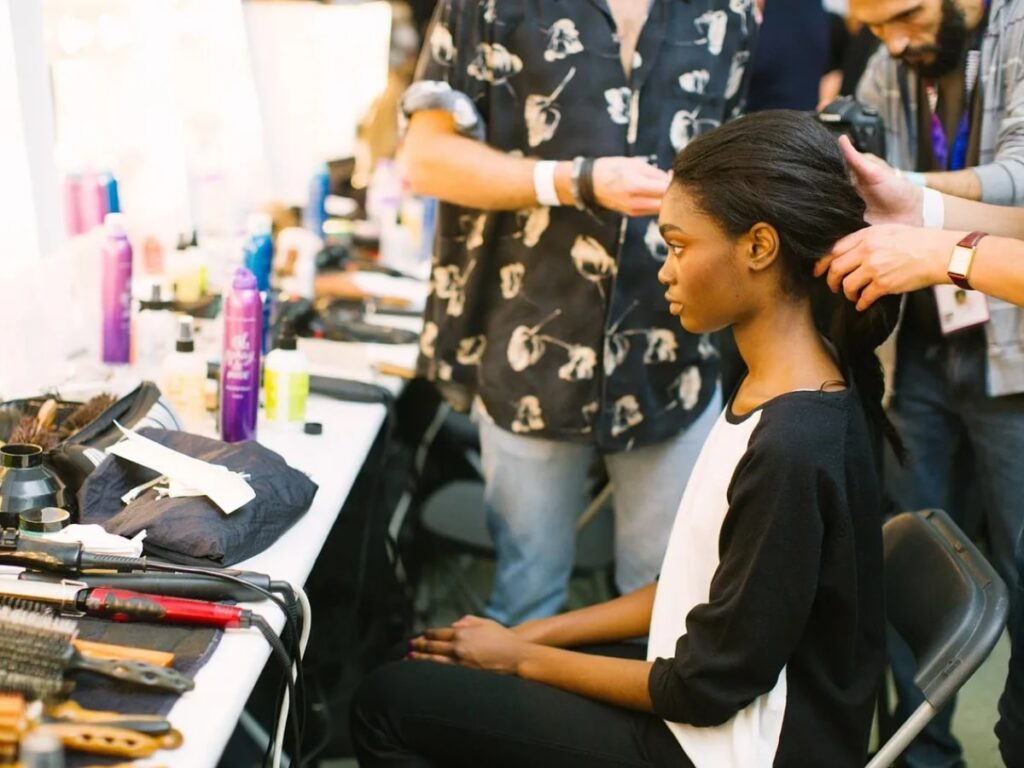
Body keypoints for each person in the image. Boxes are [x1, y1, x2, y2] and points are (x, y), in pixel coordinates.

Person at [350, 110, 895, 768]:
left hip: (720, 750)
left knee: (386, 703)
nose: (664, 270)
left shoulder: (792, 444)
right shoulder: (776, 389)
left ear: (758, 247)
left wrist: (522, 660)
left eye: (678, 245)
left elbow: (702, 689)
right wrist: (529, 635)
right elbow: (691, 589)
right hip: (703, 707)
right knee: (448, 676)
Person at [400, 0, 757, 626]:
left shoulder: (729, 12)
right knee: (524, 595)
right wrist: (574, 180)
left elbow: (732, 163)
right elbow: (425, 159)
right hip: (529, 338)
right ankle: (513, 723)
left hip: (674, 352)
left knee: (666, 604)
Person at [848, 0, 1024, 762]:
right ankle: (921, 754)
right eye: (873, 26)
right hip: (920, 355)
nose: (893, 41)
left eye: (906, 15)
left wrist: (922, 212)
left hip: (1012, 354)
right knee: (912, 571)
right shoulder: (894, 58)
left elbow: (1020, 179)